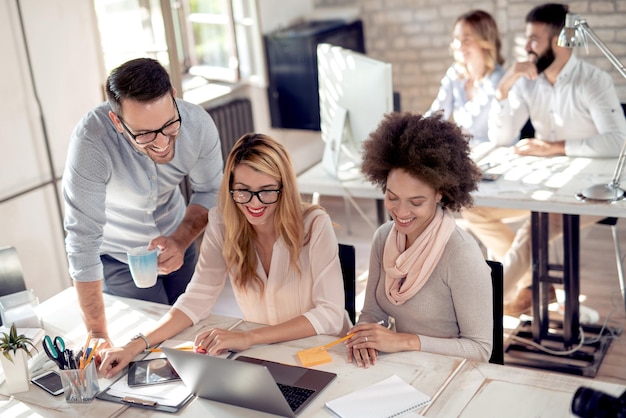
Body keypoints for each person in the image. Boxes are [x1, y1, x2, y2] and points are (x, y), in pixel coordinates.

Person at [99, 133, 347, 378]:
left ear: (285, 188)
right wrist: (135, 345)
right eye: (243, 191)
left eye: (267, 191)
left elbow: (330, 316)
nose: (254, 203)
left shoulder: (315, 224)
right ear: (230, 188)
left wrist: (248, 337)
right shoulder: (222, 223)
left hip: (325, 355)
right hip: (268, 357)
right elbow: (197, 297)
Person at [462, 3, 626, 315]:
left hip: (589, 191)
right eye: (526, 39)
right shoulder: (527, 82)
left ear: (558, 41)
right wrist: (504, 87)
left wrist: (554, 146)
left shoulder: (593, 81)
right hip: (541, 184)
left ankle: (483, 311)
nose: (527, 47)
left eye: (534, 39)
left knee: (532, 230)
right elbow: (500, 137)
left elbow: (618, 141)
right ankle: (528, 286)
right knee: (473, 208)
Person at [62, 58, 223, 346]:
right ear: (117, 122)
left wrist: (181, 239)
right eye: (145, 134)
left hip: (178, 236)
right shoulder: (91, 142)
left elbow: (211, 191)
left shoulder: (197, 124)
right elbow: (82, 240)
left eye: (169, 126)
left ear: (173, 96)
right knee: (149, 341)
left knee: (193, 330)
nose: (162, 144)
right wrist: (97, 334)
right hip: (120, 256)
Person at [344, 112, 493, 368]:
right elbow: (372, 314)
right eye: (392, 198)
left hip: (450, 374)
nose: (401, 213)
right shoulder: (383, 238)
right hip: (401, 367)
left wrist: (405, 341)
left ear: (440, 193)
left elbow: (480, 349)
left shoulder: (460, 254)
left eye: (416, 202)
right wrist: (365, 338)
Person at [426, 9, 505, 147]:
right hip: (467, 154)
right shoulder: (454, 73)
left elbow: (471, 125)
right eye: (457, 39)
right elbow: (436, 113)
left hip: (494, 155)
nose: (459, 45)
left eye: (466, 39)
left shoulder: (498, 78)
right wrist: (416, 130)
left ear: (485, 41)